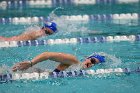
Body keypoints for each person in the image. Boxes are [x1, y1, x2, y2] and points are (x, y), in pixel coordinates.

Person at [12, 51, 105, 73]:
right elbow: (47, 54)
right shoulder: (74, 61)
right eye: (92, 60)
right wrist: (31, 63)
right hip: (29, 71)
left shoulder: (77, 70)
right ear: (87, 58)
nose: (90, 64)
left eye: (94, 64)